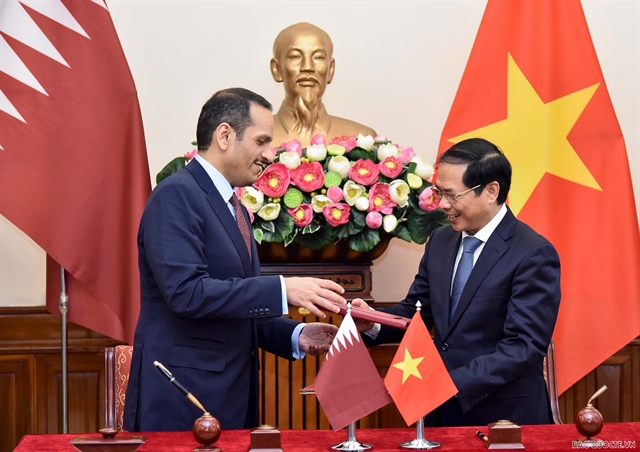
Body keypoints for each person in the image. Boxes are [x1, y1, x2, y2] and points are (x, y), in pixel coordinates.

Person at [123, 88, 347, 432]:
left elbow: (233, 307)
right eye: (261, 141)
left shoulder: (235, 208)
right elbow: (187, 294)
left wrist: (296, 334)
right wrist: (283, 289)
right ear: (225, 135)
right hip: (181, 400)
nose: (268, 155)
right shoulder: (176, 195)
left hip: (228, 398)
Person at [354, 138, 561, 426]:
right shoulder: (440, 240)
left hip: (504, 419)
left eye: (452, 195)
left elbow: (522, 347)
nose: (443, 205)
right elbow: (416, 310)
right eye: (439, 193)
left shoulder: (533, 253)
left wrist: (447, 382)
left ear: (491, 191)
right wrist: (372, 321)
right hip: (441, 414)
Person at [270, 22, 377, 147]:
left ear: (331, 69)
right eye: (295, 56)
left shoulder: (362, 139)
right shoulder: (252, 139)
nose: (307, 67)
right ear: (276, 69)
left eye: (318, 57)